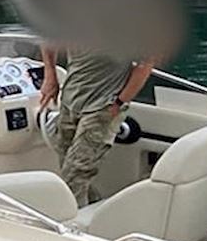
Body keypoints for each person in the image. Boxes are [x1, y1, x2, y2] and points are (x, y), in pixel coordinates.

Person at [39, 44, 156, 204]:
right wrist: (50, 75)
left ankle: (68, 224)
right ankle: (92, 207)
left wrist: (118, 103)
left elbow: (146, 64)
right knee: (69, 166)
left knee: (75, 173)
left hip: (103, 108)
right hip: (70, 101)